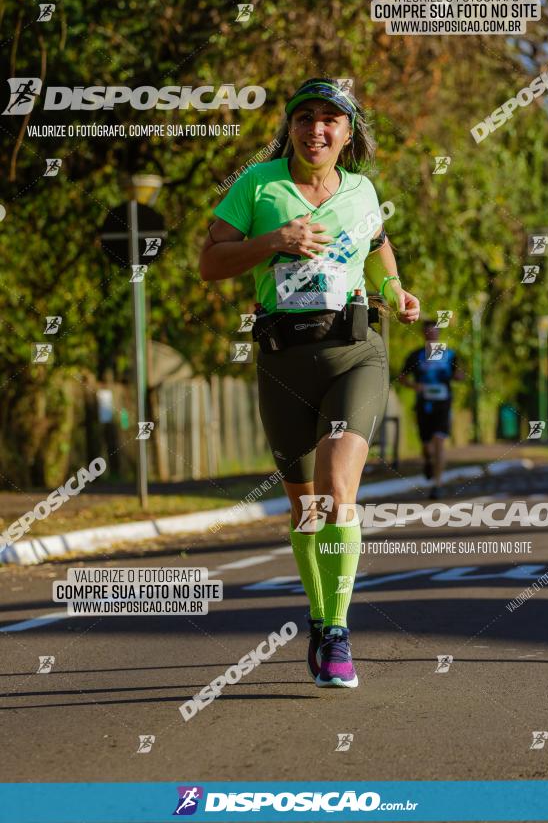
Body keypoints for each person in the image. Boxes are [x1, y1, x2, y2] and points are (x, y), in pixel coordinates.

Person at [199, 78, 420, 688]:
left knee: (335, 488)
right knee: (304, 508)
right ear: (290, 127)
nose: (317, 129)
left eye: (331, 119)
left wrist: (392, 290)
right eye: (306, 118)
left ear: (349, 133)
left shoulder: (362, 189)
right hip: (282, 360)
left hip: (355, 351)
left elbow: (379, 245)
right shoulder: (257, 185)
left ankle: (337, 634)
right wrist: (277, 241)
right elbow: (209, 263)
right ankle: (321, 622)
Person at [398, 319, 465, 499]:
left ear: (439, 334)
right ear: (423, 334)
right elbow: (402, 378)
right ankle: (428, 461)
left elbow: (460, 375)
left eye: (434, 332)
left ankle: (437, 484)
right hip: (424, 404)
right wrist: (415, 386)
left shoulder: (449, 355)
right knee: (427, 445)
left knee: (439, 441)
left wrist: (459, 375)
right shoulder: (416, 356)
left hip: (443, 403)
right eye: (428, 333)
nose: (432, 335)